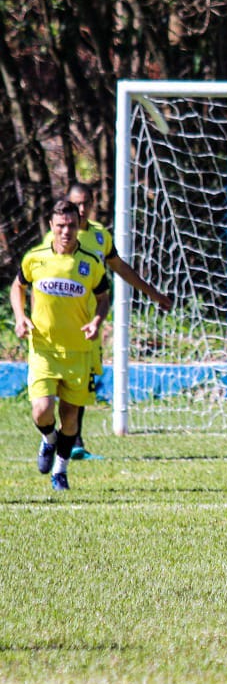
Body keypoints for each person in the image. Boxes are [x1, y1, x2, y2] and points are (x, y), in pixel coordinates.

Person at [58, 181, 174, 459]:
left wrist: (155, 295)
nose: (82, 209)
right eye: (77, 204)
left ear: (94, 203)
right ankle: (57, 438)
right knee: (57, 386)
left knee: (82, 384)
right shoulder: (58, 239)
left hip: (90, 323)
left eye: (87, 203)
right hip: (61, 323)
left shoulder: (100, 237)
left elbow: (120, 268)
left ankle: (74, 443)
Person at [10, 200, 111, 491]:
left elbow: (104, 297)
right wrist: (20, 317)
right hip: (43, 349)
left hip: (78, 350)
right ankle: (48, 439)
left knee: (70, 418)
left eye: (71, 225)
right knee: (41, 411)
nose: (66, 231)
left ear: (79, 226)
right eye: (61, 226)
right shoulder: (35, 258)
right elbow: (18, 286)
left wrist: (96, 321)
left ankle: (60, 471)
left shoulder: (90, 262)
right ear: (51, 227)